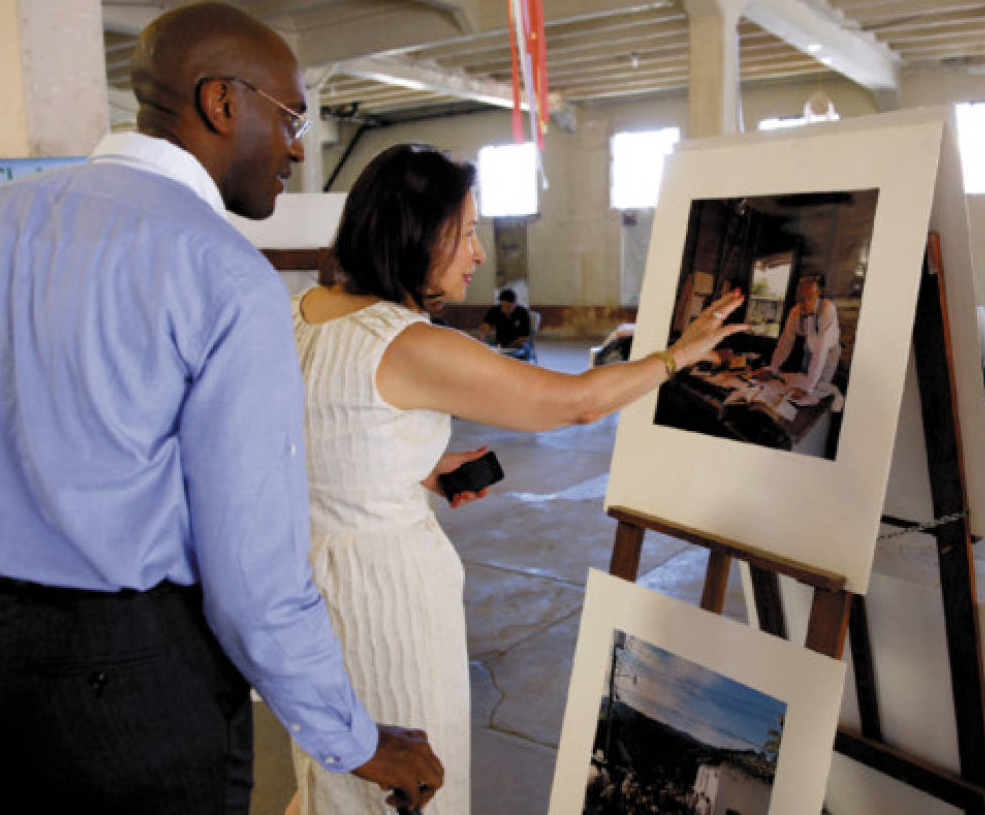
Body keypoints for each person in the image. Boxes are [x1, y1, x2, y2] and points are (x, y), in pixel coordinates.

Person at [0, 3, 442, 815]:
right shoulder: (219, 271)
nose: (299, 147)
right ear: (221, 103)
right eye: (291, 116)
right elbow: (251, 576)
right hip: (124, 681)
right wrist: (354, 738)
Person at [288, 143, 746, 814]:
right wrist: (675, 357)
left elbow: (322, 443)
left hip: (313, 595)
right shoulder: (407, 343)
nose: (478, 254)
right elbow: (575, 401)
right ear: (418, 234)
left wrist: (413, 471)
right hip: (387, 603)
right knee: (413, 780)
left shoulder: (303, 315)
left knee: (335, 777)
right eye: (467, 233)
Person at [763, 272, 841, 394]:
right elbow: (785, 342)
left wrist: (808, 389)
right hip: (809, 349)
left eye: (809, 297)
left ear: (818, 294)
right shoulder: (795, 312)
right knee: (803, 380)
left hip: (829, 352)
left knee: (819, 389)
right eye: (801, 299)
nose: (804, 304)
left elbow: (821, 350)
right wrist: (773, 368)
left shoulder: (827, 309)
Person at [478, 287, 533, 358]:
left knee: (525, 352)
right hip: (499, 342)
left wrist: (511, 345)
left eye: (508, 307)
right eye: (502, 306)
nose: (504, 309)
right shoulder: (495, 310)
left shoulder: (523, 313)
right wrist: (482, 335)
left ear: (515, 304)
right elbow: (485, 326)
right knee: (484, 352)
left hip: (517, 344)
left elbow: (525, 337)